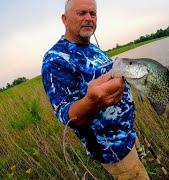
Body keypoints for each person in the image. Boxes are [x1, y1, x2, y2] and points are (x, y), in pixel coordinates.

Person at [41, 0, 149, 179]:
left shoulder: (91, 47)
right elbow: (65, 115)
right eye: (82, 13)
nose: (89, 18)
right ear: (65, 19)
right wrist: (91, 102)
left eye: (93, 14)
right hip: (111, 149)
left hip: (128, 135)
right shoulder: (54, 60)